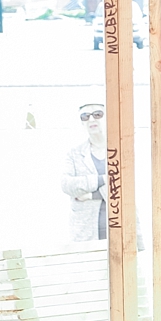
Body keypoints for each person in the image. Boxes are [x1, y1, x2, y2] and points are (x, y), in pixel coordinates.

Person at [60, 103, 108, 241]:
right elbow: (66, 185)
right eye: (85, 116)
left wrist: (91, 195)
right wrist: (102, 179)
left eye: (97, 114)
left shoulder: (121, 149)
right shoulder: (74, 154)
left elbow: (126, 186)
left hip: (120, 228)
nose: (91, 120)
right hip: (85, 233)